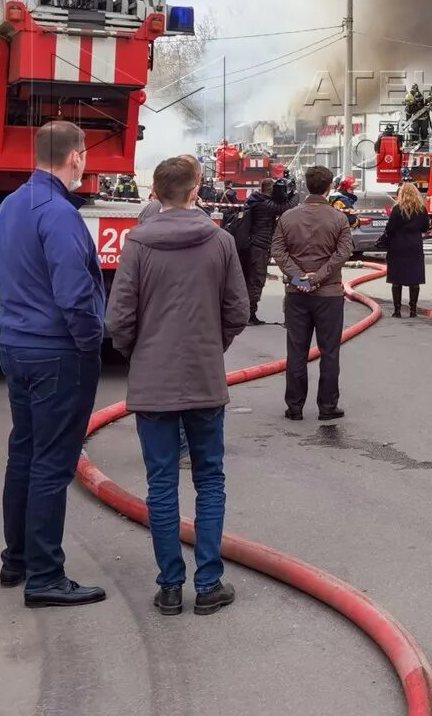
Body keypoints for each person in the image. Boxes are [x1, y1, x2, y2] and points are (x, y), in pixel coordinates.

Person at [105, 155, 248, 616]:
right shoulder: (221, 241)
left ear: (155, 192)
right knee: (210, 480)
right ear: (196, 190)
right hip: (205, 380)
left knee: (161, 483)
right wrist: (211, 348)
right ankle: (209, 584)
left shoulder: (137, 245)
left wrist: (142, 355)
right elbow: (237, 311)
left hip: (153, 383)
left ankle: (169, 586)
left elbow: (119, 320)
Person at [0, 120, 108, 608]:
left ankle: (16, 560)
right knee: (51, 464)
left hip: (16, 347)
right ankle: (45, 576)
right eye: (84, 154)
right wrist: (90, 345)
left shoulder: (13, 204)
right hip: (56, 353)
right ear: (76, 157)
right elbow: (74, 294)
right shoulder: (59, 214)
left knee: (24, 453)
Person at [271, 166, 354, 421]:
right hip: (328, 295)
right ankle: (327, 407)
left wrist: (299, 278)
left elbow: (278, 249)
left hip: (297, 293)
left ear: (306, 186)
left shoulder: (288, 217)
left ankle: (294, 407)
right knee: (329, 352)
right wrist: (318, 278)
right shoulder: (339, 218)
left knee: (297, 350)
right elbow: (344, 252)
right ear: (329, 187)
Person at [227, 176, 294, 325]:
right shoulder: (264, 204)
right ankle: (250, 315)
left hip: (251, 245)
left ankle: (245, 313)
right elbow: (285, 208)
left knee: (248, 279)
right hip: (258, 247)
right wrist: (294, 194)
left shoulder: (254, 200)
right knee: (256, 281)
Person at [381, 182, 432, 317]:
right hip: (414, 246)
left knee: (397, 280)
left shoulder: (397, 209)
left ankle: (397, 311)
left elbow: (390, 228)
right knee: (414, 280)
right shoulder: (421, 209)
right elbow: (426, 228)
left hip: (398, 246)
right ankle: (413, 310)